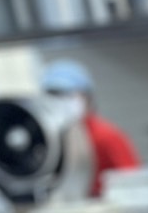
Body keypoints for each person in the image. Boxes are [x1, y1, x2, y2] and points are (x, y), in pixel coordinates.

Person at [39, 59, 141, 198]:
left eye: (68, 96)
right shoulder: (50, 140)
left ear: (87, 98)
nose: (61, 102)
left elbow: (134, 181)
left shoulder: (106, 135)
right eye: (55, 97)